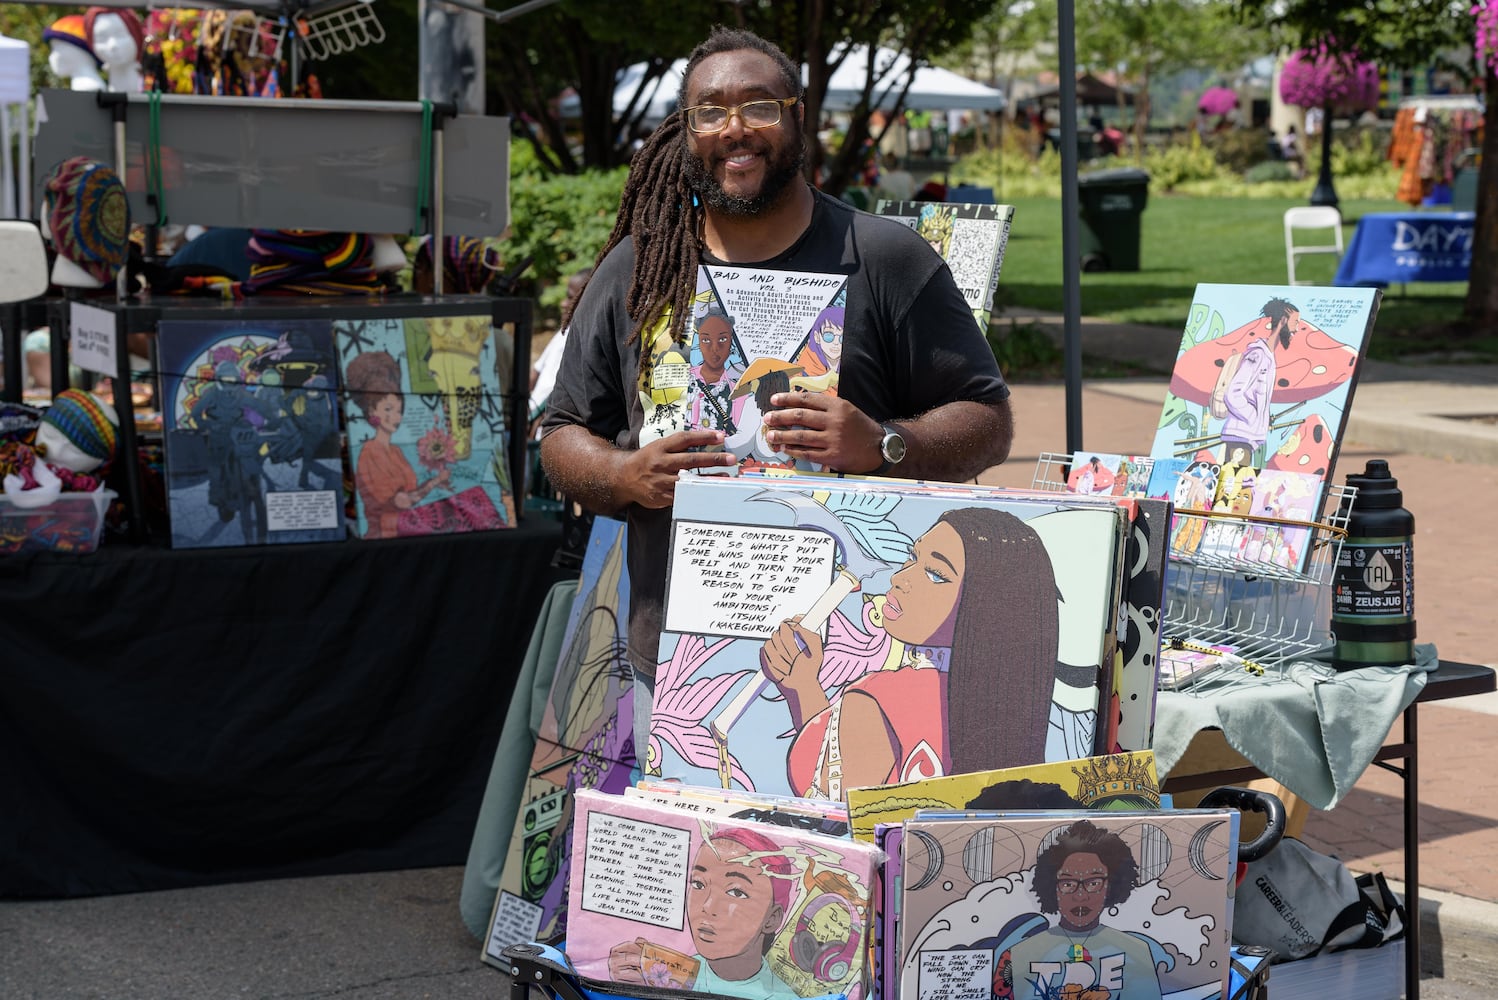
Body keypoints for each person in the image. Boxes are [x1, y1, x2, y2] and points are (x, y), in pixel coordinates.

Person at [540, 27, 1013, 759]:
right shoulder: (640, 271)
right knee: (703, 873)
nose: (735, 128)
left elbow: (988, 419)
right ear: (686, 130)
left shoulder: (883, 258)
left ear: (799, 117)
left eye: (759, 105)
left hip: (852, 661)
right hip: (672, 655)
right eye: (710, 110)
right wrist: (620, 475)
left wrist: (885, 444)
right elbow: (562, 430)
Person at [760, 508, 1056, 798]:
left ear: (990, 606)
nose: (899, 578)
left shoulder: (882, 697)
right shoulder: (1013, 707)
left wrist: (803, 690)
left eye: (936, 574)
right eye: (913, 557)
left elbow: (831, 800)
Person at [607, 827, 798, 998]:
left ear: (772, 919)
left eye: (736, 892)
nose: (708, 906)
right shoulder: (667, 973)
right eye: (698, 884)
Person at [1003, 819, 1163, 1000]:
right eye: (1068, 883)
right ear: (1052, 887)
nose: (1080, 895)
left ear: (1111, 886)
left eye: (1093, 883)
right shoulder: (1020, 954)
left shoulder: (1137, 951)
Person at [344, 350, 451, 538]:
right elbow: (401, 501)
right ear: (371, 411)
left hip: (408, 532)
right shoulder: (369, 453)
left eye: (399, 410)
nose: (396, 417)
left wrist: (436, 481)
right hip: (385, 536)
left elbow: (410, 494)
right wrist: (433, 484)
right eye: (388, 409)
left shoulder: (396, 451)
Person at [1212, 298, 1298, 457]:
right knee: (1235, 479)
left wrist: (1262, 420)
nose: (1297, 329)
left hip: (1247, 435)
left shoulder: (1268, 355)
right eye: (1295, 322)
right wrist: (1253, 418)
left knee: (1238, 478)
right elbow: (1233, 393)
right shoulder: (1258, 355)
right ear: (1283, 321)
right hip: (1241, 434)